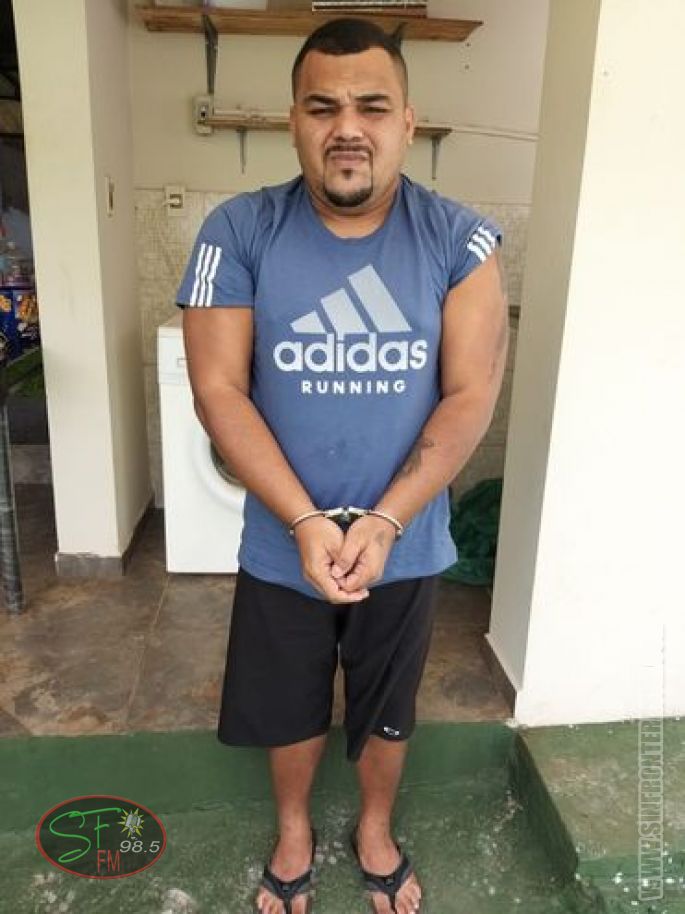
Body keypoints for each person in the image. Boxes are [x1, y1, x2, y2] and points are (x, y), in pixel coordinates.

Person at [176, 17, 508, 914]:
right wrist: (304, 519)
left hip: (405, 538)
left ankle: (373, 827)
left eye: (371, 106)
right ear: (293, 120)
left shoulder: (461, 242)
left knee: (387, 702)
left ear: (407, 121)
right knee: (287, 701)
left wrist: (389, 518)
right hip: (283, 538)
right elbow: (218, 390)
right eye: (322, 107)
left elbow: (468, 394)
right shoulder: (237, 230)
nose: (347, 127)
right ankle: (293, 831)